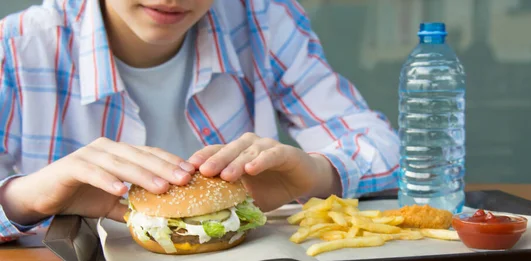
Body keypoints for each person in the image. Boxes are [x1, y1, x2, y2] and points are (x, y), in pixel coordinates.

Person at [0, 0, 400, 243]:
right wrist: (22, 199)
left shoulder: (264, 20)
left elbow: (386, 147)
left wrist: (317, 173)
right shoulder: (15, 48)